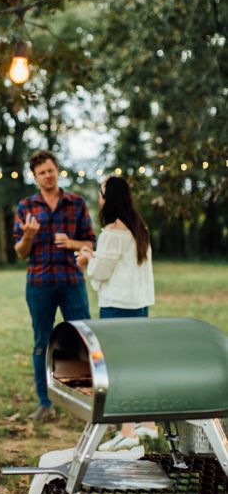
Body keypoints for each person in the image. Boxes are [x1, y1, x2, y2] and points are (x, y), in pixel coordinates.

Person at [14, 150, 96, 422]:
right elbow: (20, 252)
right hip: (39, 284)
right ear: (35, 177)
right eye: (41, 173)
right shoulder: (26, 206)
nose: (47, 176)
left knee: (82, 340)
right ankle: (45, 403)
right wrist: (27, 236)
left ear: (56, 170)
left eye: (50, 170)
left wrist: (71, 243)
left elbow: (92, 243)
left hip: (72, 282)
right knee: (41, 343)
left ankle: (85, 400)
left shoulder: (76, 203)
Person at [76, 175, 157, 450]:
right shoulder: (138, 227)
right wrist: (95, 256)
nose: (99, 198)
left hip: (117, 306)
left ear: (108, 197)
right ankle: (148, 424)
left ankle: (128, 432)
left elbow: (102, 271)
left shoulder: (113, 231)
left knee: (120, 367)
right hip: (138, 304)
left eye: (101, 192)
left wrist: (88, 259)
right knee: (138, 363)